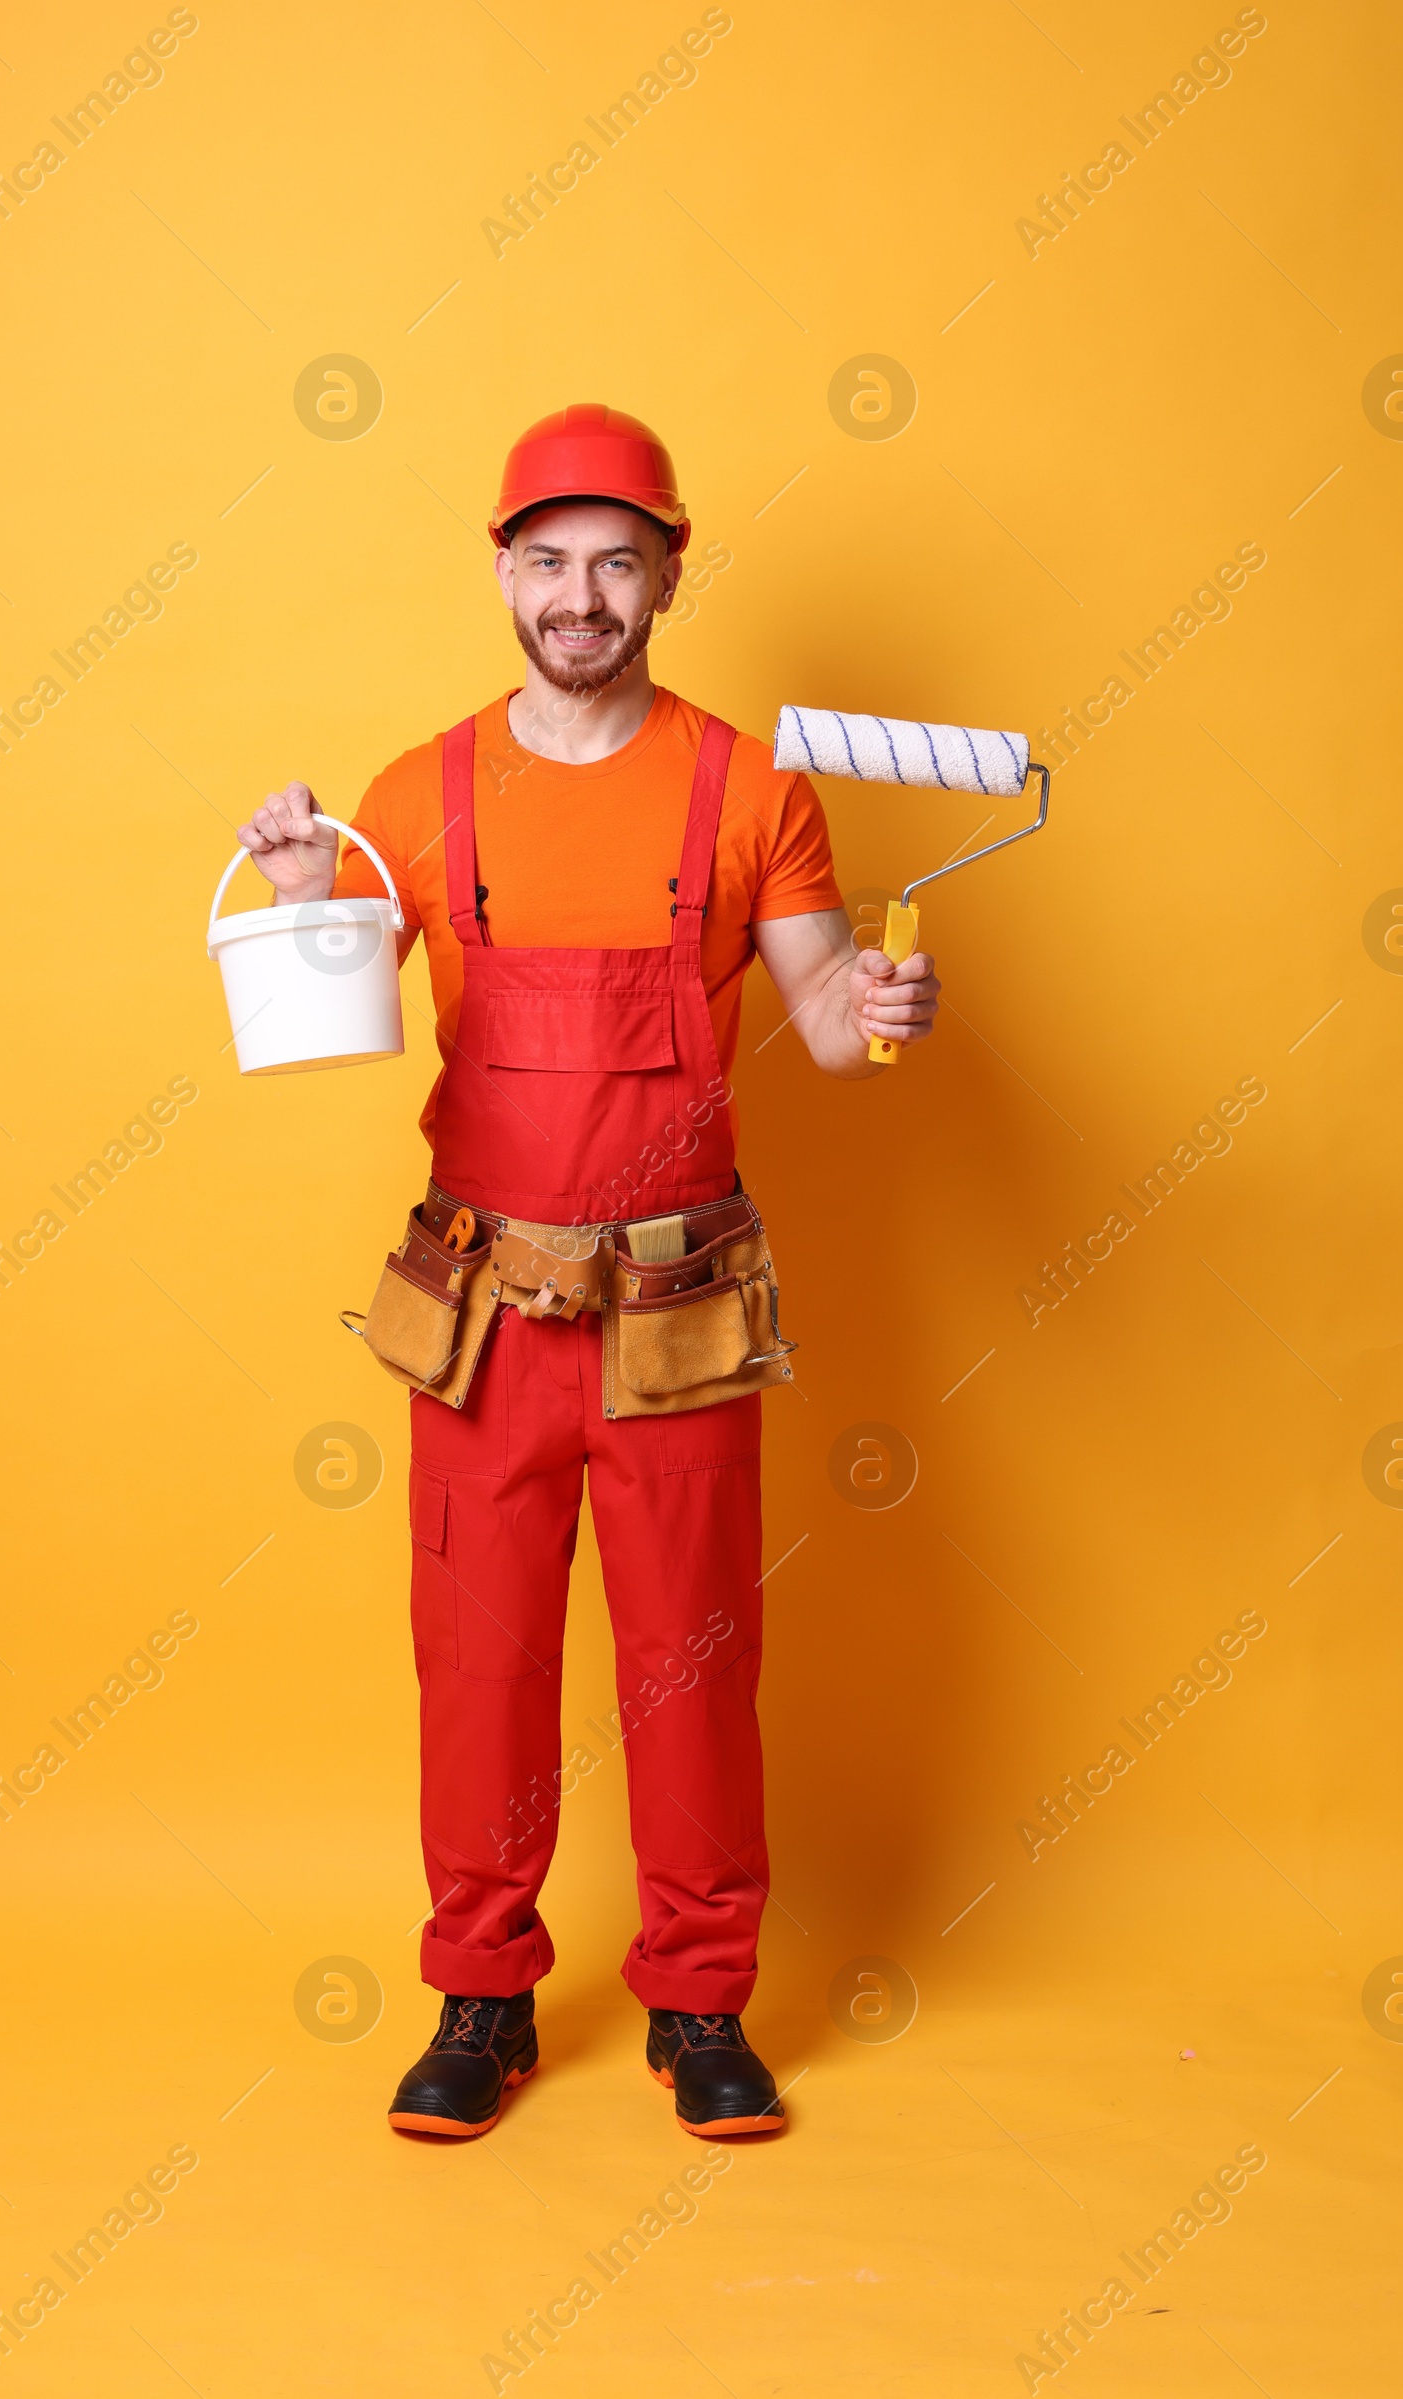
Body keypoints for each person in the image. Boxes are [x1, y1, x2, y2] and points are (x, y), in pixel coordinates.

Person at [237, 404, 940, 2140]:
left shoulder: (750, 789)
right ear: (501, 572)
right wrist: (304, 892)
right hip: (481, 1310)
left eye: (616, 561)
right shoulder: (424, 791)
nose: (579, 594)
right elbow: (328, 1010)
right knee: (478, 1663)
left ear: (669, 574)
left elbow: (829, 1037)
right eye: (547, 560)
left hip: (678, 1312)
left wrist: (877, 1011)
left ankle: (701, 2006)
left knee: (693, 1664)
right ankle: (481, 1997)